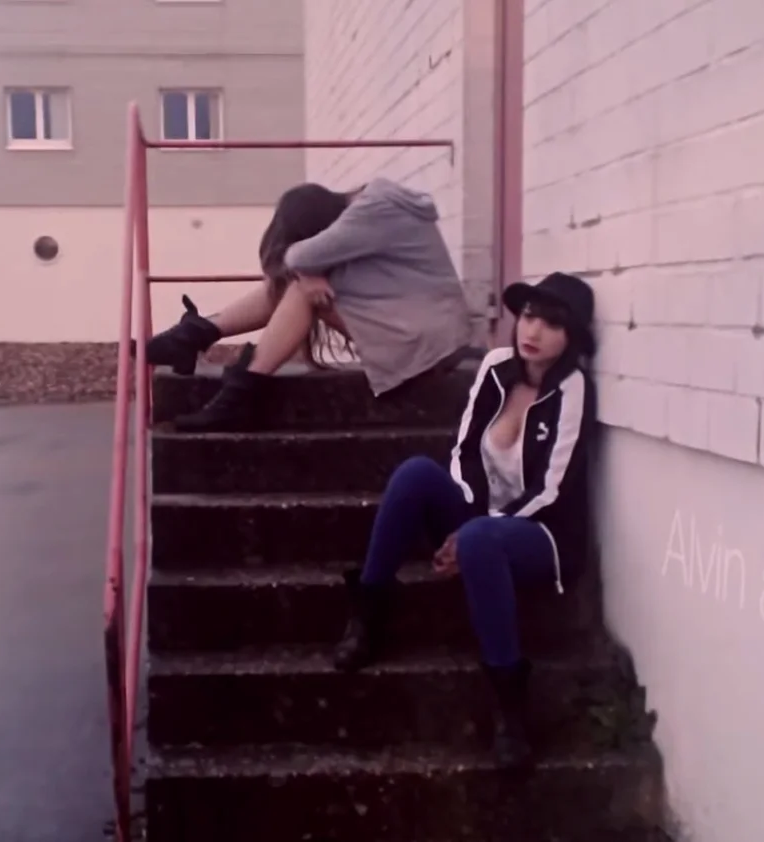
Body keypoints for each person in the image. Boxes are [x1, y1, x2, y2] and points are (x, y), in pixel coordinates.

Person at [331, 271, 598, 769]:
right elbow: (464, 450)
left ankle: (510, 709)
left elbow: (551, 490)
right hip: (481, 517)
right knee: (416, 473)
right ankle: (368, 613)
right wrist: (471, 517)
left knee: (480, 538)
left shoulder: (572, 389)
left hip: (541, 533)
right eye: (529, 316)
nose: (533, 331)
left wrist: (480, 528)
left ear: (572, 337)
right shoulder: (496, 368)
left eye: (552, 323)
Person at [143, 179, 473, 432]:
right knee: (303, 280)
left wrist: (306, 271)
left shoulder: (374, 209)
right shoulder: (375, 203)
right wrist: (307, 271)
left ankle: (236, 396)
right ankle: (191, 338)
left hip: (427, 348)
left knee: (302, 287)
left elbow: (300, 256)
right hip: (427, 335)